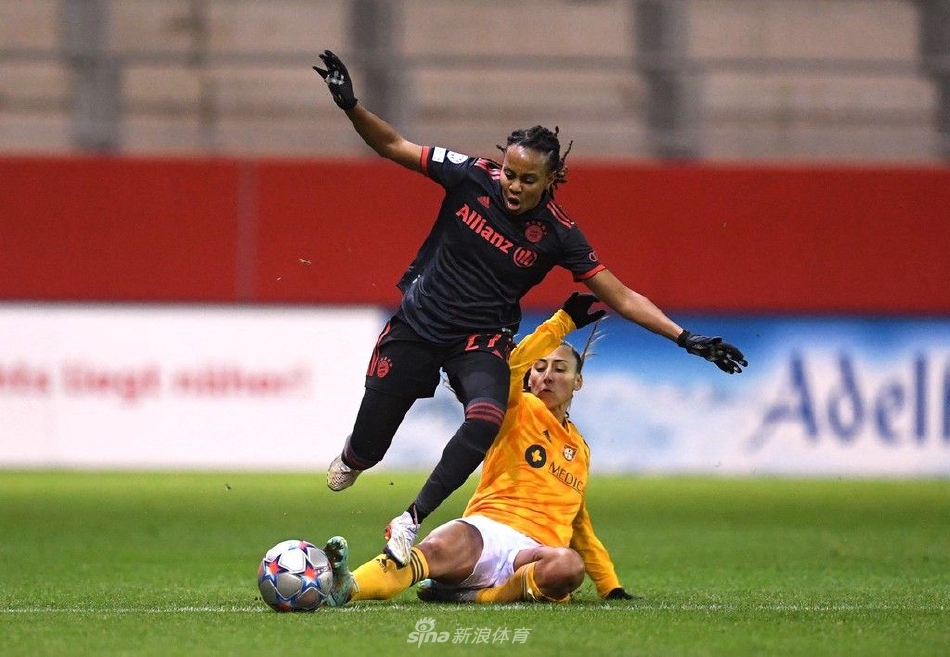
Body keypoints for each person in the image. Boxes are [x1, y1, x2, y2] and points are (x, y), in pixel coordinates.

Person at [312, 49, 747, 567]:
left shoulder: (560, 234)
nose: (513, 187)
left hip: (479, 340)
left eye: (527, 180)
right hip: (417, 324)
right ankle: (357, 453)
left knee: (488, 414)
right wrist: (351, 106)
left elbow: (621, 295)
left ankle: (409, 520)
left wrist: (685, 338)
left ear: (550, 181)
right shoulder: (470, 175)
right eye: (510, 175)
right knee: (367, 451)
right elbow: (393, 145)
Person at [320, 293, 634, 607]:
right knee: (436, 547)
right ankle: (349, 585)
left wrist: (610, 586)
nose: (547, 376)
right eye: (540, 368)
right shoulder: (515, 407)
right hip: (487, 533)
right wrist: (562, 322)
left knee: (568, 567)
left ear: (578, 381)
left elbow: (579, 523)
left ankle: (480, 595)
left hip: (536, 555)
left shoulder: (579, 449)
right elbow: (509, 369)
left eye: (560, 369)